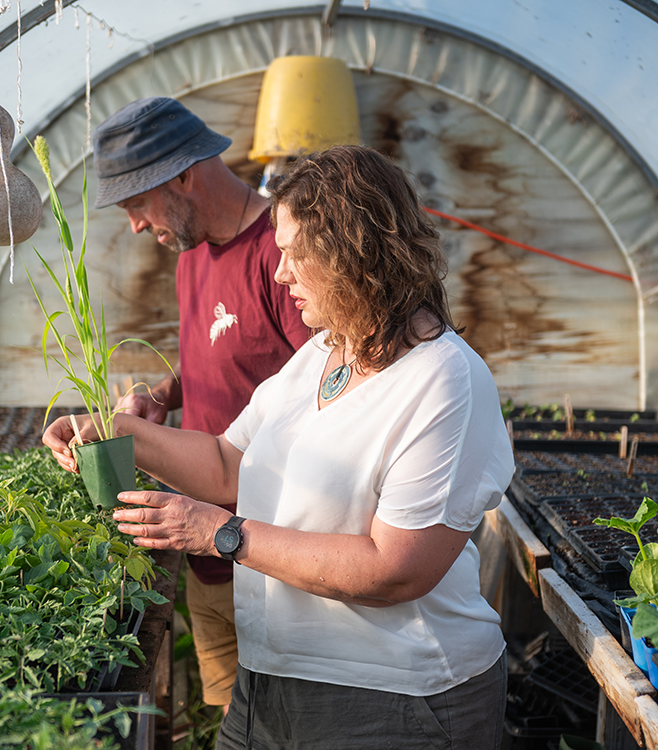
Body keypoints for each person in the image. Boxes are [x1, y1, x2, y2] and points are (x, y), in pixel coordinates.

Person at [45, 145, 515, 749]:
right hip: (270, 678)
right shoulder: (322, 354)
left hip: (396, 698)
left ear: (352, 253)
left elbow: (394, 569)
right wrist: (116, 430)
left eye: (294, 253)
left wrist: (222, 533)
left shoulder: (446, 381)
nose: (279, 272)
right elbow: (226, 464)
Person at [91, 97, 309, 710]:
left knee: (287, 723)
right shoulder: (191, 256)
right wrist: (163, 395)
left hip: (276, 557)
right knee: (226, 718)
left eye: (137, 203)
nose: (134, 224)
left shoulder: (284, 255)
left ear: (184, 175)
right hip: (206, 551)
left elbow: (327, 393)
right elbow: (222, 354)